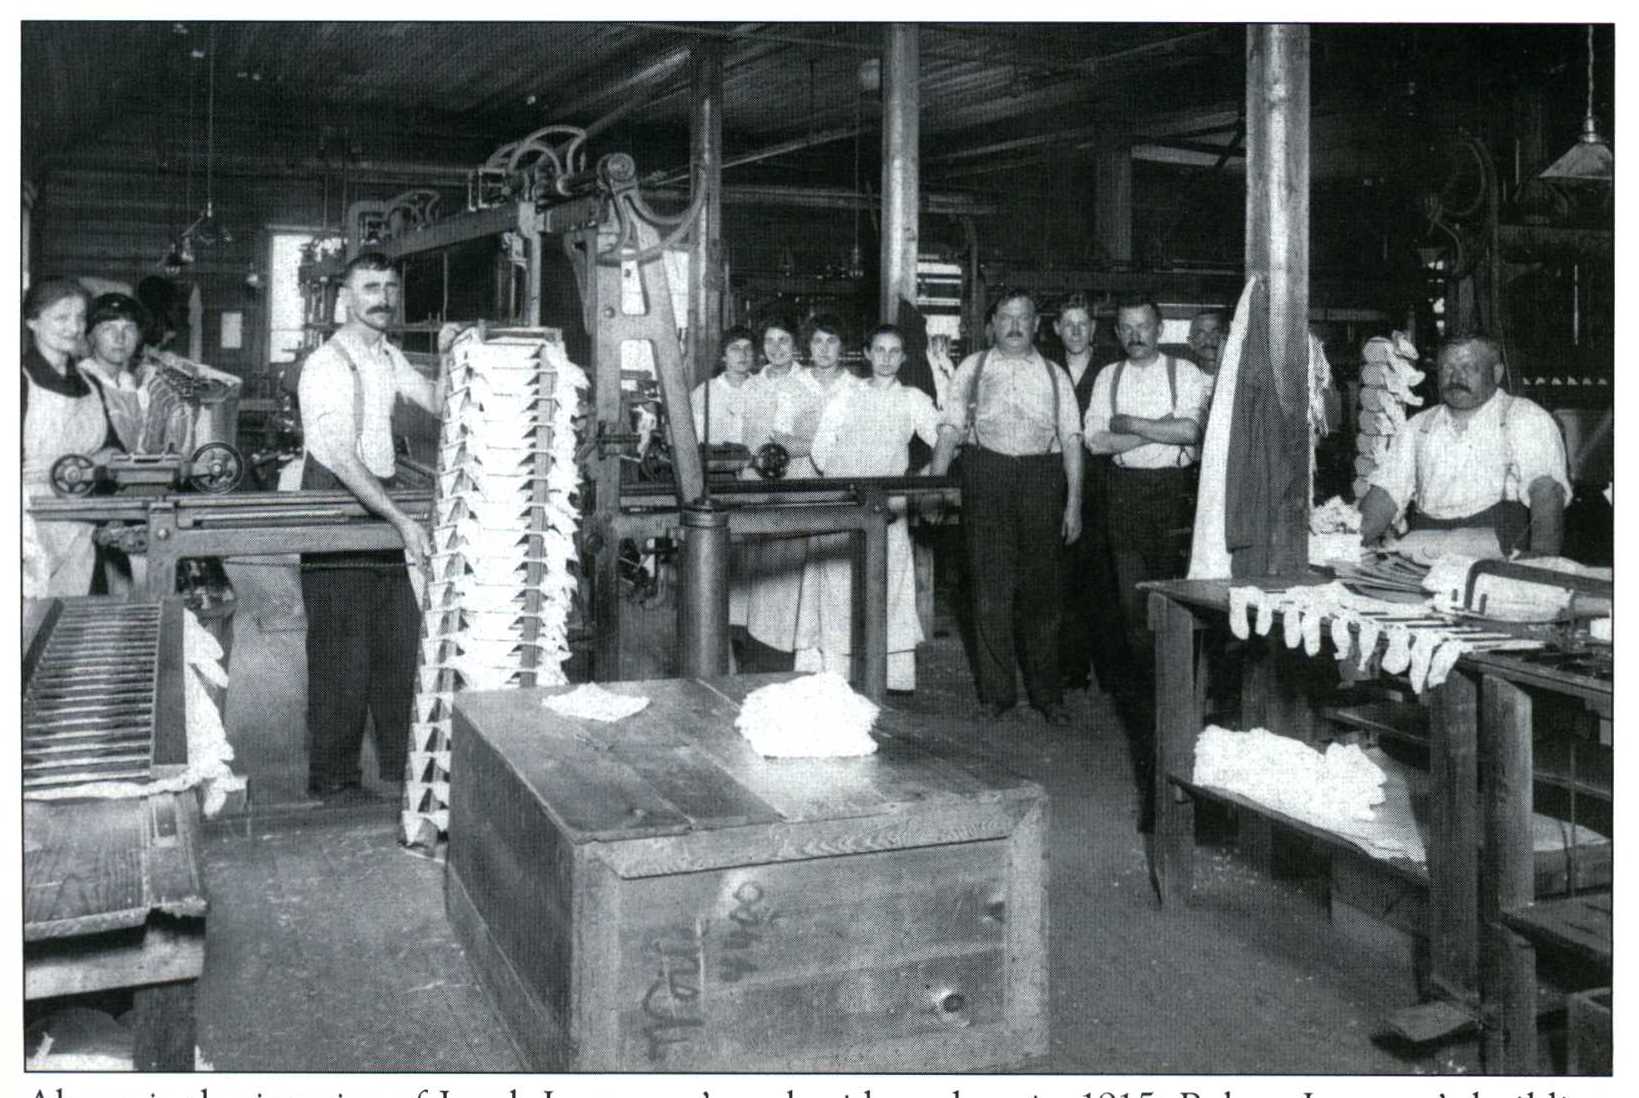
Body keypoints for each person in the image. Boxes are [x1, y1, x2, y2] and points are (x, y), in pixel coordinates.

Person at [296, 251, 443, 801]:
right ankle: (333, 779)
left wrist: (459, 356)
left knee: (399, 642)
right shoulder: (327, 365)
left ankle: (402, 767)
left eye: (389, 287)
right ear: (344, 300)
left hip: (377, 504)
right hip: (336, 505)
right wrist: (402, 519)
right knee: (340, 651)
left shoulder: (387, 355)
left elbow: (434, 401)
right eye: (369, 287)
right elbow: (338, 454)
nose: (383, 297)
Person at [929, 289, 1083, 725]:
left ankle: (1047, 695)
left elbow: (1072, 440)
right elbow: (950, 429)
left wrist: (1073, 504)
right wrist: (935, 487)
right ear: (992, 324)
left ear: (1036, 325)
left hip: (1042, 477)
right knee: (990, 591)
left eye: (1024, 318)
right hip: (986, 474)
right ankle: (998, 695)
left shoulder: (1055, 374)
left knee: (1043, 594)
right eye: (1006, 318)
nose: (1014, 326)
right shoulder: (971, 368)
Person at [1084, 297, 1211, 826]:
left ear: (1161, 329)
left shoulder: (1186, 372)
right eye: (1127, 328)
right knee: (1133, 616)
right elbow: (1095, 440)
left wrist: (1132, 425)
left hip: (1176, 498)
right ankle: (1150, 726)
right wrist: (1158, 427)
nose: (1136, 335)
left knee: (1181, 615)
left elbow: (1193, 433)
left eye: (1145, 327)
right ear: (1117, 331)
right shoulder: (1107, 375)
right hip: (1124, 497)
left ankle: (1181, 728)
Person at [802, 324, 942, 690]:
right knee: (839, 588)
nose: (886, 359)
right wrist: (844, 478)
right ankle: (836, 676)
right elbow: (820, 449)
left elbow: (945, 439)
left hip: (887, 511)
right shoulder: (846, 395)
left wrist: (922, 477)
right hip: (844, 505)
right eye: (879, 350)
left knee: (887, 589)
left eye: (894, 351)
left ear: (904, 357)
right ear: (866, 353)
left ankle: (886, 677)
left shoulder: (913, 399)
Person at [1359, 333, 1570, 556]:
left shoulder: (1525, 418)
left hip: (1498, 559)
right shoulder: (1418, 426)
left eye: (1469, 368)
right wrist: (1349, 544)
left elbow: (1547, 491)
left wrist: (1542, 565)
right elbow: (1385, 494)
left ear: (1496, 373)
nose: (1456, 377)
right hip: (1425, 552)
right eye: (1447, 368)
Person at [751, 315, 862, 664]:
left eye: (832, 342)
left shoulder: (856, 388)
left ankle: (838, 655)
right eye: (817, 342)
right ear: (807, 347)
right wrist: (828, 441)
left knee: (836, 571)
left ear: (843, 347)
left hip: (842, 485)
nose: (824, 350)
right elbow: (780, 440)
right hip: (799, 483)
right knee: (795, 572)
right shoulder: (793, 389)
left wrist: (814, 443)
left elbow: (861, 440)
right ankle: (802, 656)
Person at [1052, 294, 1119, 695]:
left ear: (1094, 329)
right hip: (1055, 484)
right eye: (1068, 324)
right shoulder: (1045, 367)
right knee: (1062, 580)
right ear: (1057, 329)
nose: (1076, 331)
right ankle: (1071, 669)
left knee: (1103, 581)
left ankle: (1110, 672)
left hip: (1105, 484)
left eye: (1083, 324)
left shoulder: (1111, 366)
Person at [22, 278, 105, 598]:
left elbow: (108, 445)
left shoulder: (88, 382)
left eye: (80, 318)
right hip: (30, 524)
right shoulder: (19, 379)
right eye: (61, 317)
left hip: (80, 523)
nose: (73, 327)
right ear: (32, 321)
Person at [690, 326, 759, 636]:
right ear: (723, 356)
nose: (742, 355)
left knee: (753, 564)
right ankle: (717, 625)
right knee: (719, 561)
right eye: (735, 349)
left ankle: (747, 630)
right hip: (717, 487)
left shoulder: (763, 389)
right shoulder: (705, 394)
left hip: (756, 486)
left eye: (747, 349)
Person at [79, 293, 194, 456]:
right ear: (90, 336)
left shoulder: (133, 385)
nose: (120, 338)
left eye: (129, 328)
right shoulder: (81, 382)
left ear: (139, 336)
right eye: (108, 329)